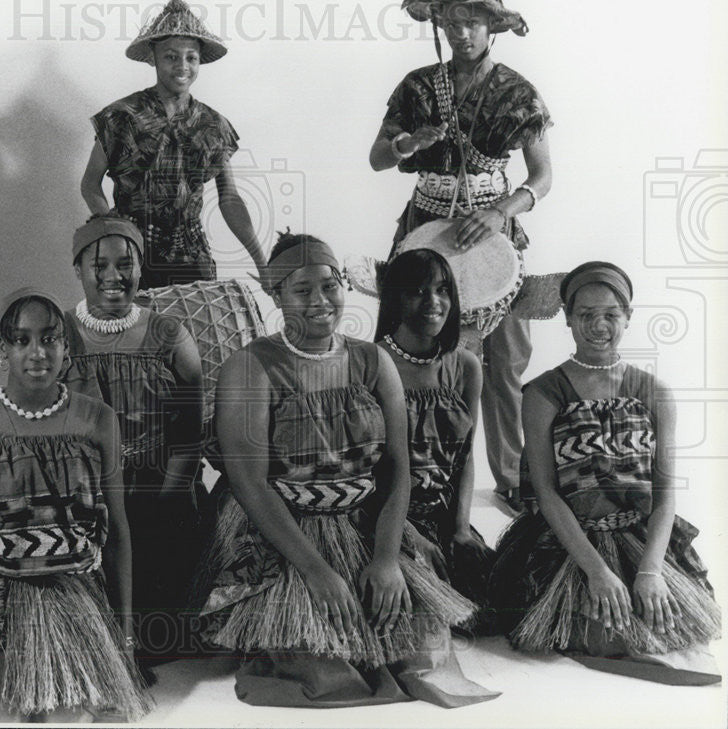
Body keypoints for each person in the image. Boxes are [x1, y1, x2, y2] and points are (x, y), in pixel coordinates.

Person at [196, 232, 499, 708]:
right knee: (321, 667)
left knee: (420, 651)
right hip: (285, 527)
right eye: (301, 290)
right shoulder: (251, 365)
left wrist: (384, 559)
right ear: (276, 296)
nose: (320, 301)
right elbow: (249, 482)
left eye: (330, 285)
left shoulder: (372, 359)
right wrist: (317, 573)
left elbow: (398, 469)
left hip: (362, 521)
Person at [0, 288, 151, 721]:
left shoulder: (97, 419)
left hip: (69, 582)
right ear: (4, 350)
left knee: (68, 714)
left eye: (49, 338)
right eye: (22, 340)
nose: (37, 352)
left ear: (65, 347)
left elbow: (118, 533)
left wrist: (124, 634)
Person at [369, 0, 552, 514]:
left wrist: (501, 212)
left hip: (494, 229)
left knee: (507, 357)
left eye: (472, 21)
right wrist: (409, 143)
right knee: (422, 355)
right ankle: (424, 478)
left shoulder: (518, 92)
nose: (461, 31)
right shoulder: (419, 86)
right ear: (440, 24)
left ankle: (513, 477)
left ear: (491, 26)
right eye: (451, 20)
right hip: (426, 226)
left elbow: (542, 178)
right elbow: (378, 158)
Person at [489, 262, 722, 685]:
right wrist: (596, 571)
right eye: (585, 314)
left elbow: (665, 491)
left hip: (637, 536)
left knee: (662, 625)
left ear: (628, 317)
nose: (599, 325)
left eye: (611, 314)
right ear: (567, 318)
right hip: (568, 542)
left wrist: (650, 570)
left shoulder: (654, 391)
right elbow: (545, 491)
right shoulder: (543, 392)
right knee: (594, 630)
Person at [62, 213, 204, 673]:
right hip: (82, 499)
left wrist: (167, 503)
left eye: (126, 264)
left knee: (158, 627)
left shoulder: (169, 334)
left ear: (141, 268)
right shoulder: (57, 335)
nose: (112, 277)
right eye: (97, 265)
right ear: (79, 269)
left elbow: (189, 436)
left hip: (156, 491)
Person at [82, 0, 267, 289]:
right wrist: (116, 232)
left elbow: (230, 198)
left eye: (191, 58)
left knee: (193, 334)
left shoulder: (212, 124)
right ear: (153, 58)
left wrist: (262, 263)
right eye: (171, 56)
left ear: (199, 61)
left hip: (192, 259)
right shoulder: (121, 117)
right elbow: (90, 185)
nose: (182, 67)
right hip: (130, 256)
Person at [374, 248, 495, 624]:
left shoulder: (465, 366)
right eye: (418, 291)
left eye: (443, 290)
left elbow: (465, 458)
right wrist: (409, 537)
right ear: (395, 297)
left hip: (441, 516)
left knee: (497, 604)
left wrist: (460, 528)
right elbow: (367, 473)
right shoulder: (370, 363)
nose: (434, 302)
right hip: (383, 516)